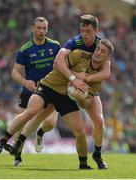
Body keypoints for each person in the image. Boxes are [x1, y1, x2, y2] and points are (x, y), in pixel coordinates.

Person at [0, 39, 113, 170]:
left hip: (65, 96)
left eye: (103, 51)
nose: (98, 52)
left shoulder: (98, 78)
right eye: (98, 49)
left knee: (79, 130)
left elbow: (87, 102)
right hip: (48, 86)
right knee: (31, 112)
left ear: (107, 57)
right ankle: (3, 142)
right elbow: (58, 65)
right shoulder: (79, 54)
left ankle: (83, 165)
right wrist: (76, 77)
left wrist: (79, 96)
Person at [35, 14, 111, 169]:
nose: (84, 34)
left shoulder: (100, 45)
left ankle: (97, 154)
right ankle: (39, 134)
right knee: (48, 123)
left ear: (96, 31)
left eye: (88, 31)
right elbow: (58, 62)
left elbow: (106, 72)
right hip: (65, 85)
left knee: (99, 121)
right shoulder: (74, 42)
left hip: (87, 89)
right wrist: (75, 78)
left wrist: (87, 79)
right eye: (82, 30)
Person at [0, 16, 61, 166]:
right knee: (22, 123)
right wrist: (25, 81)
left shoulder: (55, 46)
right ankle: (17, 157)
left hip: (51, 90)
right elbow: (15, 72)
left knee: (50, 123)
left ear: (47, 29)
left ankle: (40, 133)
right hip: (30, 91)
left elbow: (61, 65)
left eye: (44, 28)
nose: (42, 31)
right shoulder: (25, 50)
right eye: (39, 28)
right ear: (33, 28)